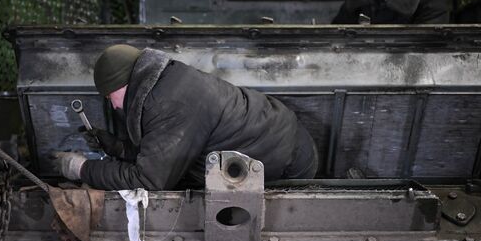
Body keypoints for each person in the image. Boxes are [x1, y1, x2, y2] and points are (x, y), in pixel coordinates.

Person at [55, 44, 318, 190]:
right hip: (282, 137)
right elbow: (165, 150)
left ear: (120, 87)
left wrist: (81, 169)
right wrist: (117, 147)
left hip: (288, 166)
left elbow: (148, 179)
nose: (111, 105)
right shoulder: (166, 79)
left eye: (109, 96)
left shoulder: (167, 104)